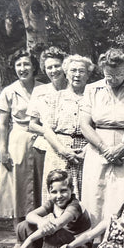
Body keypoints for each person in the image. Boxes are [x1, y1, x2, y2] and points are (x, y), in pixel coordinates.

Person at [80, 48, 124, 227]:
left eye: (118, 74)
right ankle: (94, 245)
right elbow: (85, 125)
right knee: (96, 197)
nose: (113, 79)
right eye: (108, 75)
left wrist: (122, 147)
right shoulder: (92, 89)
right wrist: (104, 149)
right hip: (98, 148)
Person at [6, 169, 92, 248]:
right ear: (49, 192)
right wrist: (40, 221)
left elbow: (57, 225)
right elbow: (30, 215)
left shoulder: (74, 206)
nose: (59, 196)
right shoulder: (53, 203)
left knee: (54, 232)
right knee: (24, 226)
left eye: (63, 190)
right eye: (54, 192)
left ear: (71, 189)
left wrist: (28, 241)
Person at [29, 53, 94, 201]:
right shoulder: (54, 98)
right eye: (73, 70)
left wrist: (86, 150)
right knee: (56, 196)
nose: (77, 75)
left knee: (83, 198)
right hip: (57, 153)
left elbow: (98, 128)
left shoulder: (94, 98)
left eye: (81, 71)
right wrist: (63, 150)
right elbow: (47, 129)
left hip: (84, 154)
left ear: (88, 74)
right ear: (66, 72)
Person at [0, 48, 44, 225]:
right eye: (18, 65)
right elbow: (2, 124)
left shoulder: (43, 89)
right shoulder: (9, 91)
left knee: (40, 184)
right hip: (18, 141)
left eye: (26, 64)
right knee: (18, 185)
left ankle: (39, 233)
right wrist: (3, 151)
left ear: (33, 67)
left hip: (40, 139)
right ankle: (19, 234)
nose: (22, 68)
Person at [27, 46, 69, 203]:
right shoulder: (40, 91)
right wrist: (48, 133)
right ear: (44, 70)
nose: (53, 70)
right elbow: (32, 125)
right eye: (49, 67)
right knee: (45, 190)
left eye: (57, 66)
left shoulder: (75, 88)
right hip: (44, 148)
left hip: (69, 146)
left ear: (64, 66)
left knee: (67, 188)